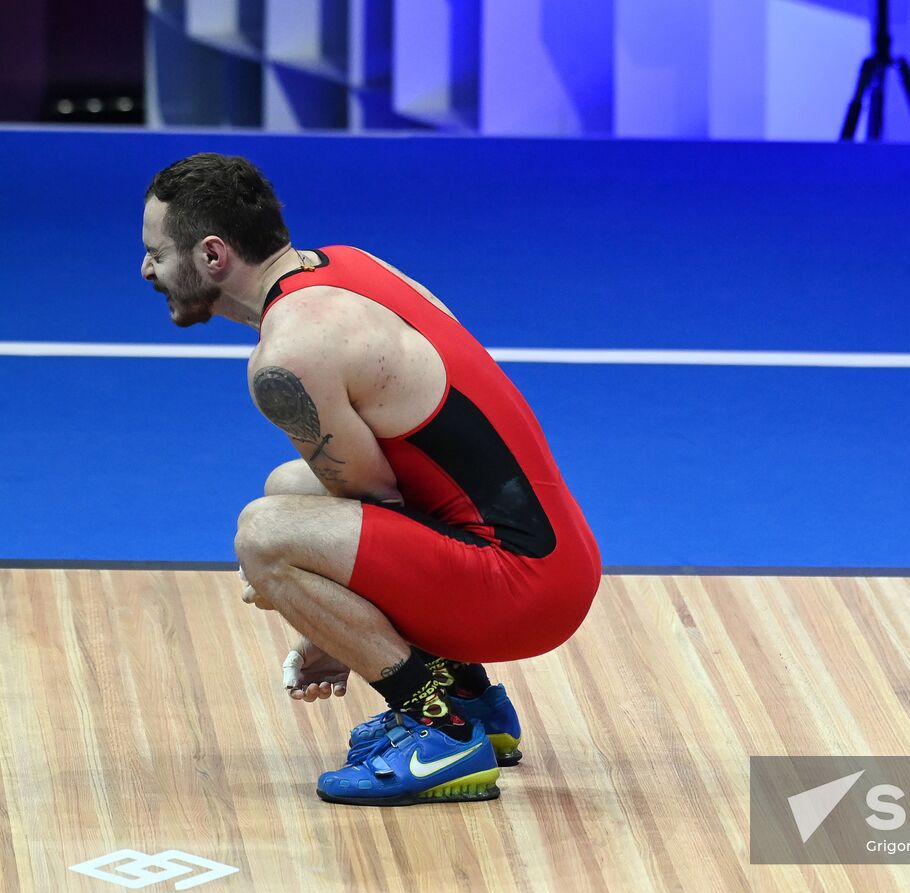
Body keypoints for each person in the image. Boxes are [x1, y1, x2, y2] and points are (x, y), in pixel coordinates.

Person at [140, 152, 601, 805]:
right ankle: (475, 704)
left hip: (523, 590)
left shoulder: (288, 357)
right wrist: (330, 603)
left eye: (157, 252)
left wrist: (331, 628)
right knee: (287, 488)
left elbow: (373, 503)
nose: (147, 269)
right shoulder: (350, 265)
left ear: (213, 256)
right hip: (558, 555)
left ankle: (441, 731)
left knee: (264, 537)